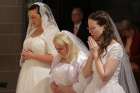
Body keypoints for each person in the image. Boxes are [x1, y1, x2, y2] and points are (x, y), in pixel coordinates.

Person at [83, 11, 139, 93]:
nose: (90, 32)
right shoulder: (95, 46)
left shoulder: (115, 47)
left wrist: (96, 54)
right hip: (92, 88)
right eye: (89, 28)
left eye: (93, 28)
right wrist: (92, 53)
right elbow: (85, 74)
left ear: (104, 27)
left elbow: (104, 76)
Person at [16, 2, 60, 93]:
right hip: (26, 72)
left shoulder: (51, 31)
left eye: (34, 17)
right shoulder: (32, 31)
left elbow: (55, 58)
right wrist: (24, 55)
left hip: (42, 74)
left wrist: (32, 56)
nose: (31, 20)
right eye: (29, 17)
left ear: (43, 16)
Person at [117, 19, 140, 90]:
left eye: (123, 32)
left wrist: (131, 60)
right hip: (126, 64)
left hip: (137, 65)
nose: (122, 34)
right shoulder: (123, 38)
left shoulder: (138, 37)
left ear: (130, 29)